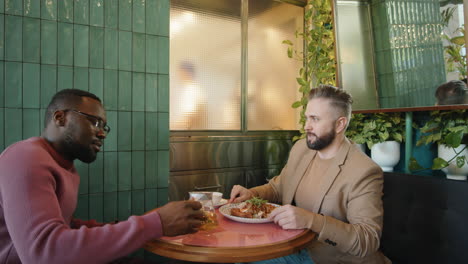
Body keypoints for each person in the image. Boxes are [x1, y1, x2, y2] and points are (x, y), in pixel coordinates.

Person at [0, 89, 204, 264]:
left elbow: (63, 225)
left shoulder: (66, 167)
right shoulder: (27, 158)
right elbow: (44, 253)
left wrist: (120, 227)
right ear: (60, 117)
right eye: (95, 122)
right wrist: (155, 223)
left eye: (104, 126)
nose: (102, 133)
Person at [230, 85, 390, 263]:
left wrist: (311, 220)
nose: (306, 126)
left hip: (327, 258)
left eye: (315, 119)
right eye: (306, 118)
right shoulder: (302, 149)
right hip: (292, 245)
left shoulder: (363, 171)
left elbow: (367, 240)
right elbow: (278, 187)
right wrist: (252, 194)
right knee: (238, 257)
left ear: (340, 124)